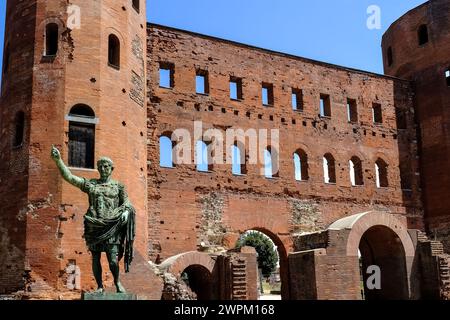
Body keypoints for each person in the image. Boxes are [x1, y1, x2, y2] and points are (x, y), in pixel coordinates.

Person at [51, 145, 135, 293]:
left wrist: (126, 212)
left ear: (111, 168)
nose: (103, 169)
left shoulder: (118, 186)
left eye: (106, 166)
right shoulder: (91, 185)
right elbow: (70, 177)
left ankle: (117, 282)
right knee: (95, 258)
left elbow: (127, 203)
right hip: (93, 225)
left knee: (113, 260)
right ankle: (100, 286)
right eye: (101, 166)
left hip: (112, 225)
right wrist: (58, 161)